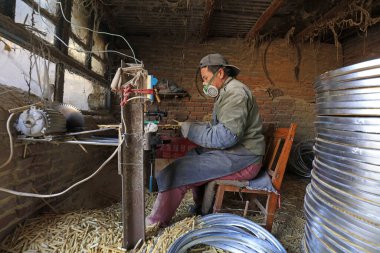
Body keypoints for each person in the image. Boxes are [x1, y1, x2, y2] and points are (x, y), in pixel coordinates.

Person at [146, 53, 265, 227]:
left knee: (177, 171)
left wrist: (191, 130)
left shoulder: (235, 94)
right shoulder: (226, 92)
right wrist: (193, 126)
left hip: (245, 159)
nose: (204, 83)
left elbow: (226, 137)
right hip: (239, 152)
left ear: (221, 74)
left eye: (206, 78)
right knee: (193, 155)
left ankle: (155, 223)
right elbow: (219, 128)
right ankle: (201, 206)